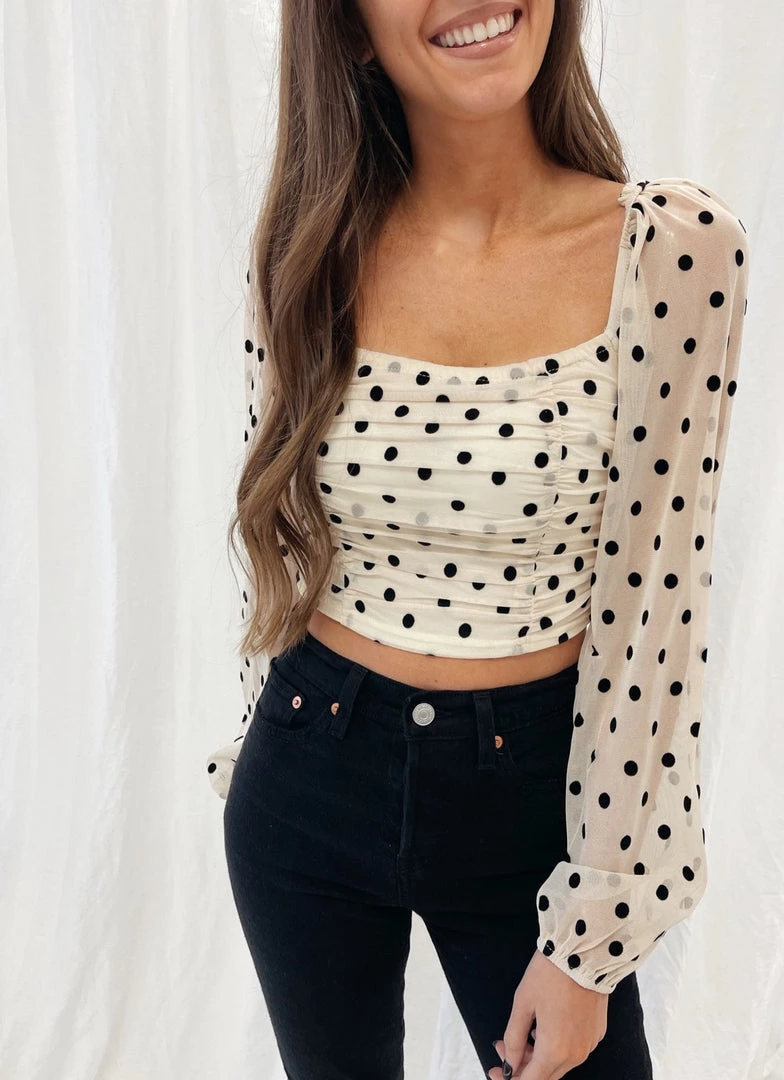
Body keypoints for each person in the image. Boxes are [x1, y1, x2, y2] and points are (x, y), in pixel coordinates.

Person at [206, 2, 750, 1077]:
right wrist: (255, 745)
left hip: (532, 802)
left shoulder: (673, 250)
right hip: (306, 770)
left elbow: (654, 609)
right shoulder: (310, 248)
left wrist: (590, 943)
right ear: (348, 28)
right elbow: (284, 543)